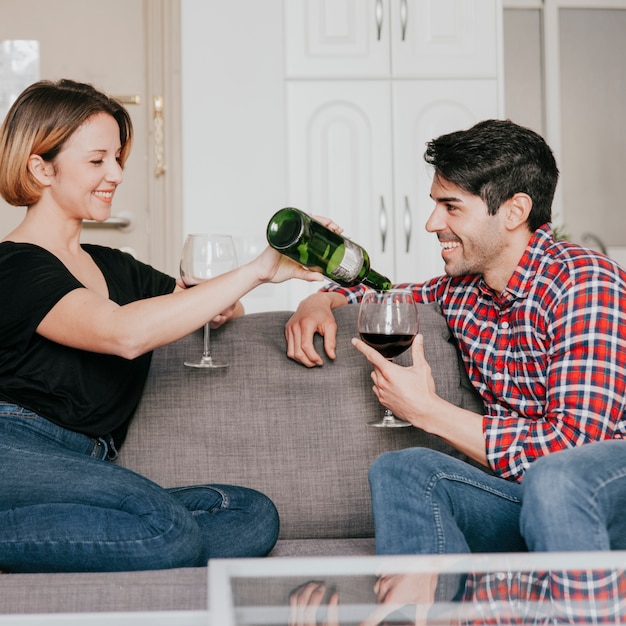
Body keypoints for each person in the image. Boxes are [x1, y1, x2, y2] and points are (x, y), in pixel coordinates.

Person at [0, 79, 325, 573]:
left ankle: (72, 541)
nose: (116, 173)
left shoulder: (118, 267)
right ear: (41, 167)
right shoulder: (15, 267)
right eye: (97, 160)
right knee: (168, 529)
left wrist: (229, 299)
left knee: (250, 514)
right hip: (14, 449)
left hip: (86, 466)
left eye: (118, 159)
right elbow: (123, 334)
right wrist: (257, 270)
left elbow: (209, 308)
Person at [284, 119, 626, 557]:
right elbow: (376, 292)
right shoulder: (462, 291)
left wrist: (428, 411)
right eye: (434, 205)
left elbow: (572, 452)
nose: (431, 223)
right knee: (402, 469)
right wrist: (318, 301)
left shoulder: (585, 284)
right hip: (521, 494)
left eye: (451, 207)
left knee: (555, 481)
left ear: (514, 211)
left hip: (598, 499)